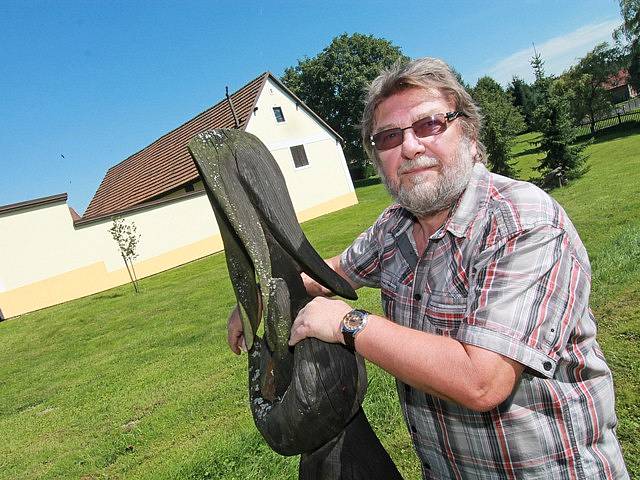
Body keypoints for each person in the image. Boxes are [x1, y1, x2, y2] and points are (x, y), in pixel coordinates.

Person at [228, 58, 629, 479]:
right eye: (388, 136)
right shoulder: (395, 225)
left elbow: (482, 381)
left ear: (470, 134)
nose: (410, 147)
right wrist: (261, 300)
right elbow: (333, 273)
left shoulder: (522, 222)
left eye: (429, 125)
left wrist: (348, 323)